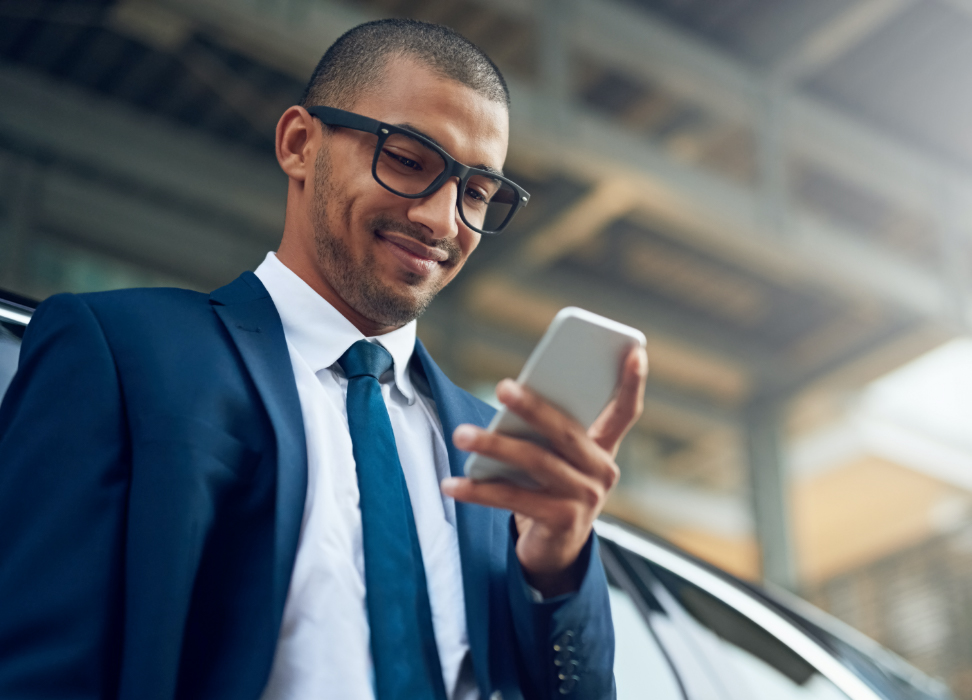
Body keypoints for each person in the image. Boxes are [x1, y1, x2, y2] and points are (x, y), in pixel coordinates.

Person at [0, 19, 647, 700]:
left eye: (478, 192)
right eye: (406, 159)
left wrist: (557, 568)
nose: (442, 219)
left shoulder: (497, 460)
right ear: (300, 144)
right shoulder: (121, 351)